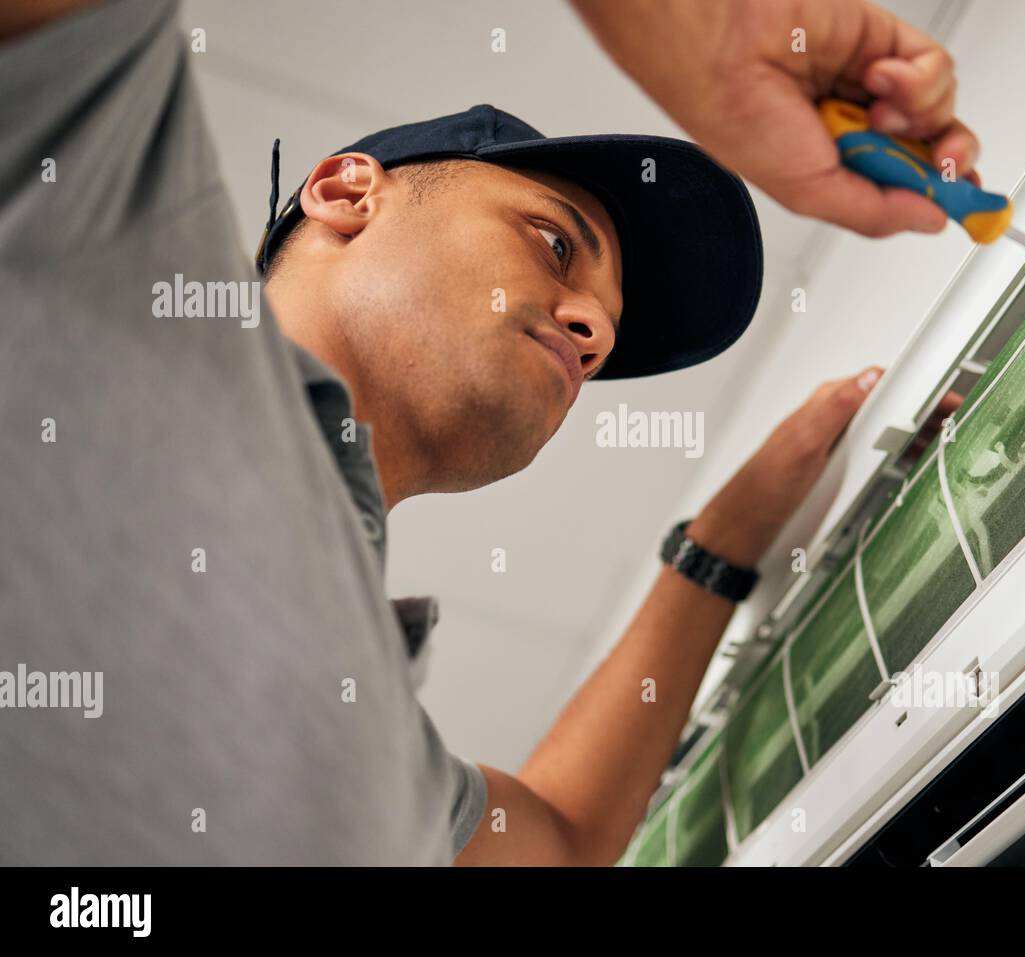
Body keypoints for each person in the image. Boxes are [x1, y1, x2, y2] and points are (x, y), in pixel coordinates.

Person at [0, 0, 976, 865]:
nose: (592, 330)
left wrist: (718, 546)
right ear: (346, 193)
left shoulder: (370, 727)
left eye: (605, 336)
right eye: (555, 243)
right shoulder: (104, 262)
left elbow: (559, 837)